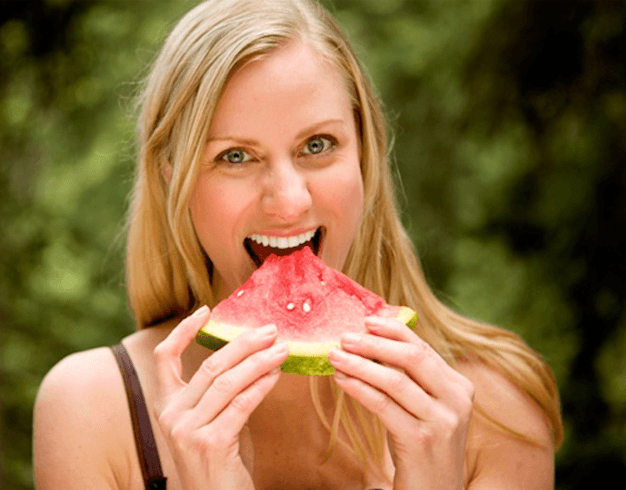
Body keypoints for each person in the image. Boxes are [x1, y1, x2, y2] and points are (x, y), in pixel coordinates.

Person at [32, 0, 563, 488]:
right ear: (175, 178)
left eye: (317, 145)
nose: (288, 201)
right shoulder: (94, 412)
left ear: (365, 154)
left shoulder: (496, 412)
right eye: (235, 156)